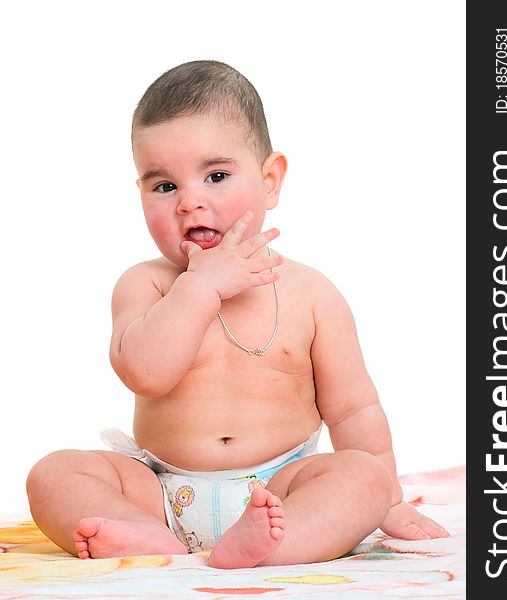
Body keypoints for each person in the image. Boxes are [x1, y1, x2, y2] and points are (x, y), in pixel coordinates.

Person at [26, 60, 449, 569]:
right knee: (54, 473)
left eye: (217, 175)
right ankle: (144, 535)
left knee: (362, 477)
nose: (190, 202)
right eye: (164, 186)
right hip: (161, 492)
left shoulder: (312, 293)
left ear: (270, 180)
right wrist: (199, 287)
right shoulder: (148, 284)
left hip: (280, 490)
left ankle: (271, 543)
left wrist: (389, 498)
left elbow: (353, 410)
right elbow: (144, 372)